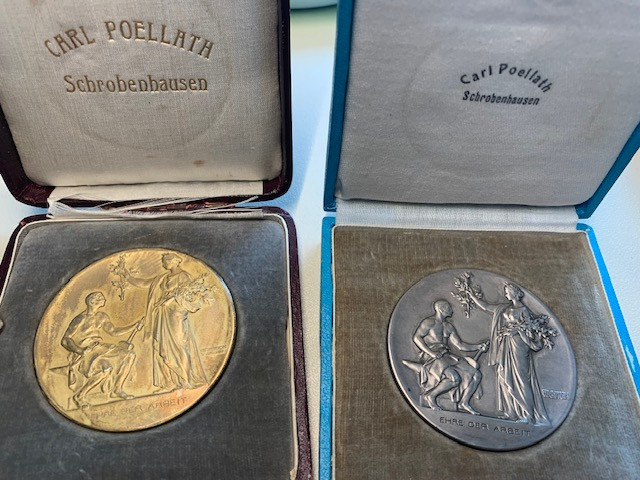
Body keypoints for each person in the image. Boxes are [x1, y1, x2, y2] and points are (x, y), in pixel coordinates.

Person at [469, 283, 550, 425]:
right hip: (505, 345)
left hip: (519, 345)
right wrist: (471, 295)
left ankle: (528, 414)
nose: (506, 294)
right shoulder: (504, 308)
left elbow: (530, 331)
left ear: (514, 293)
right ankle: (511, 412)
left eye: (507, 291)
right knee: (505, 377)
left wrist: (516, 330)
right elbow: (486, 307)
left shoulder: (524, 310)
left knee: (520, 379)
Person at [127, 253, 207, 392]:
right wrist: (127, 276)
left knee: (179, 345)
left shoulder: (184, 276)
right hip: (162, 314)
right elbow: (144, 283)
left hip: (176, 314)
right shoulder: (162, 277)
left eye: (165, 261)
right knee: (161, 348)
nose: (163, 264)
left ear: (174, 261)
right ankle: (169, 382)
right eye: (164, 261)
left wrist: (170, 300)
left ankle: (186, 380)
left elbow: (189, 296)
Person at [404, 300, 488, 415]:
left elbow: (460, 345)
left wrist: (478, 346)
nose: (451, 310)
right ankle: (430, 396)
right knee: (454, 378)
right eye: (448, 307)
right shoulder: (429, 322)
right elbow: (416, 338)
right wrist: (431, 353)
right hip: (432, 357)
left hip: (447, 356)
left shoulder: (448, 326)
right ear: (441, 309)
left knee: (476, 374)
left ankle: (464, 402)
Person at [61, 292, 141, 408]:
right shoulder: (80, 319)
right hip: (86, 350)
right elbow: (65, 340)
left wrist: (133, 326)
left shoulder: (102, 317)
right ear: (92, 302)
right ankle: (79, 396)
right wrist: (80, 351)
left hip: (100, 348)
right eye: (99, 297)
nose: (103, 298)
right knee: (105, 368)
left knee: (129, 354)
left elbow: (113, 331)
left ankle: (117, 389)